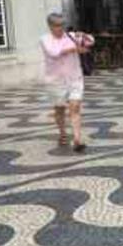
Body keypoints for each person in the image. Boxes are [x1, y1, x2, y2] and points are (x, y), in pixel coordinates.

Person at [40, 12, 95, 153]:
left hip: (75, 78)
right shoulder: (45, 39)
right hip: (55, 81)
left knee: (75, 107)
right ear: (50, 26)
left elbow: (90, 42)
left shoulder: (71, 36)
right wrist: (74, 49)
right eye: (57, 25)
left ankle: (77, 139)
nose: (60, 28)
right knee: (60, 109)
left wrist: (84, 36)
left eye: (62, 25)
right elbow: (54, 52)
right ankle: (63, 133)